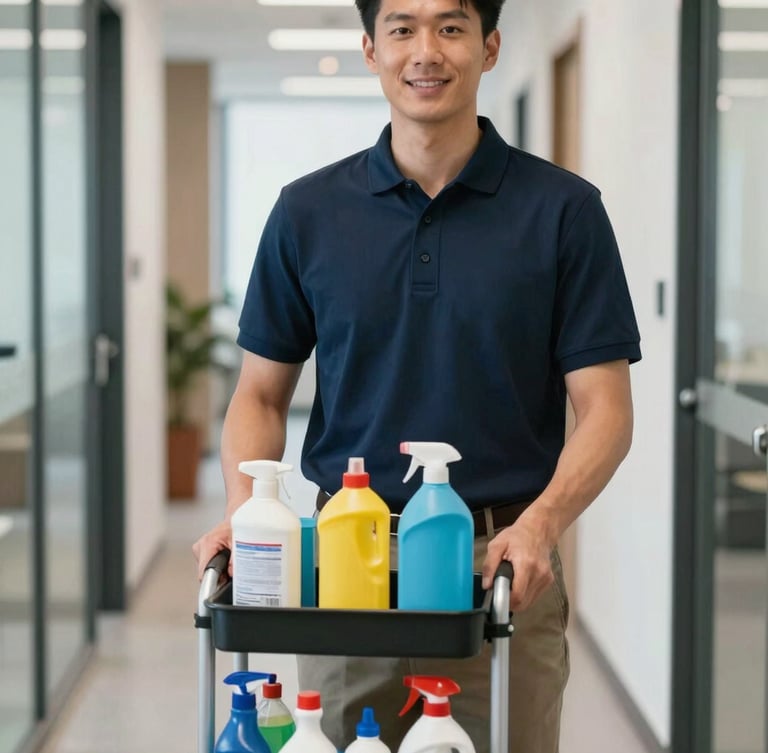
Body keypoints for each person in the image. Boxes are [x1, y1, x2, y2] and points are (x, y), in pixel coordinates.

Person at [193, 0, 641, 749]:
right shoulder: (306, 213)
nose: (425, 51)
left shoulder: (565, 213)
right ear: (371, 49)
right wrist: (247, 509)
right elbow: (259, 394)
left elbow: (606, 412)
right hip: (344, 562)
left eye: (451, 27)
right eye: (402, 28)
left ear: (490, 47)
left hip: (499, 567)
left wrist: (541, 525)